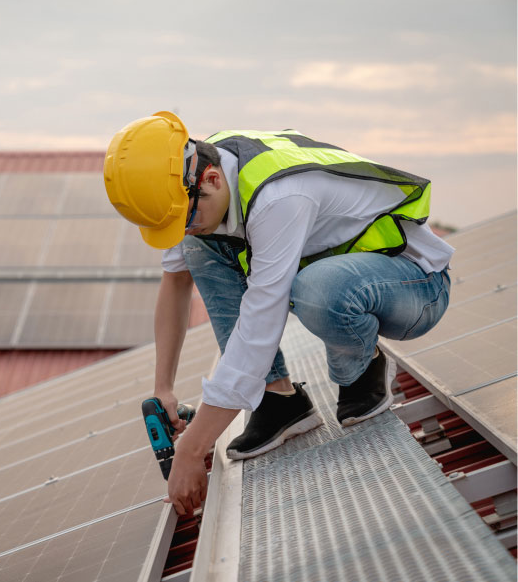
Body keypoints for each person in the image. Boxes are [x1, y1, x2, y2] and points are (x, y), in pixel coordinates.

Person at [103, 111, 453, 516]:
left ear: (211, 180)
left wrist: (193, 449)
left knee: (318, 290)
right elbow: (175, 281)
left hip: (413, 286)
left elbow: (260, 324)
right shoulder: (190, 176)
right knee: (202, 247)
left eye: (184, 220)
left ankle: (361, 370)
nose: (183, 230)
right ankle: (279, 401)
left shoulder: (279, 196)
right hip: (341, 279)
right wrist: (163, 386)